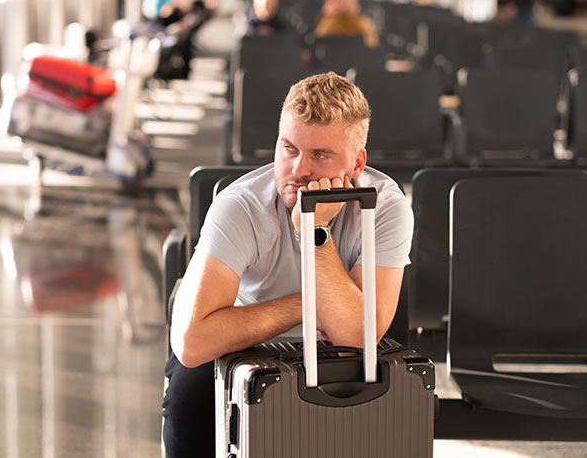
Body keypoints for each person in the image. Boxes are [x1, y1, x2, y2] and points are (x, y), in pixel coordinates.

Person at [162, 72, 414, 458]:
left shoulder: (385, 207)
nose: (298, 170)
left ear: (357, 162)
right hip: (242, 340)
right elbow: (193, 342)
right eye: (289, 148)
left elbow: (359, 336)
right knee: (188, 402)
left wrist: (316, 233)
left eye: (320, 155)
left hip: (334, 351)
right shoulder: (240, 206)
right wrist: (307, 306)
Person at [313, 0, 378, 47]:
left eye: (328, 1)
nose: (325, 5)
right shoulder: (364, 24)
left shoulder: (327, 24)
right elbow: (372, 47)